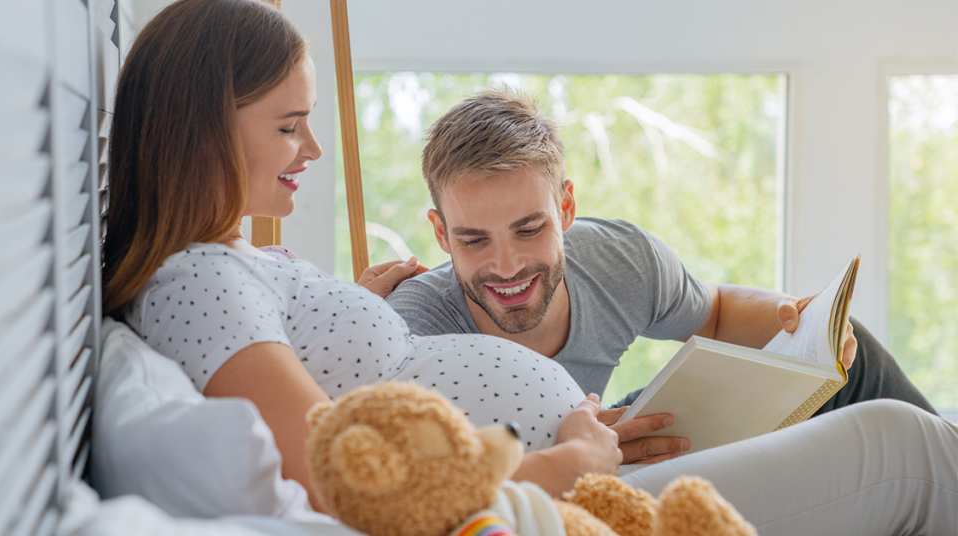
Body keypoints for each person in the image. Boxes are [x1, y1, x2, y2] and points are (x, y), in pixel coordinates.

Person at [103, 1, 957, 534]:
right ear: (204, 126)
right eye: (290, 126)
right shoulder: (202, 282)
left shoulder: (234, 266)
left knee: (874, 395)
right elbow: (350, 481)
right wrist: (565, 463)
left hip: (588, 469)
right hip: (560, 502)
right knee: (905, 447)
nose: (313, 149)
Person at [386, 88, 938, 464]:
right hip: (558, 470)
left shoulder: (617, 258)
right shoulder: (414, 326)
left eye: (529, 230)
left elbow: (716, 312)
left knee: (849, 350)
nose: (506, 266)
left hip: (612, 429)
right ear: (440, 234)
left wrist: (798, 318)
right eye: (473, 239)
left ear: (566, 209)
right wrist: (575, 451)